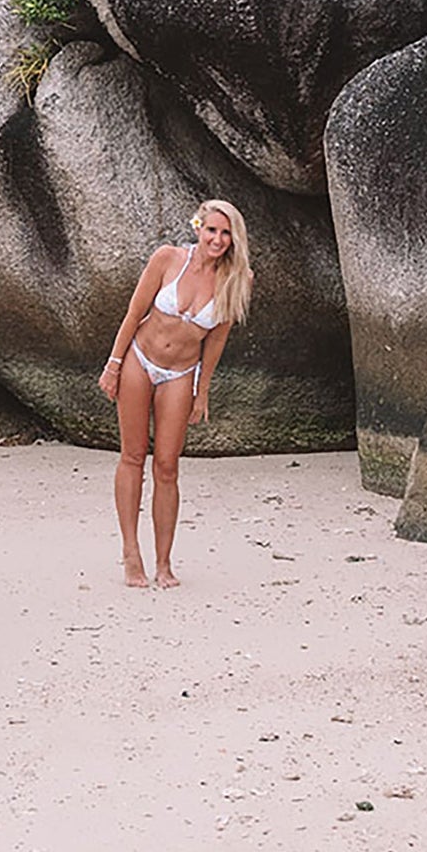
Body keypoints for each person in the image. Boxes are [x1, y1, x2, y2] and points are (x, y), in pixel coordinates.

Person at [98, 198, 253, 588]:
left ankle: (164, 563)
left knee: (167, 466)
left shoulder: (238, 280)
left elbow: (215, 342)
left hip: (181, 373)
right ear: (198, 227)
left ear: (234, 239)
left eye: (225, 233)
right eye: (211, 229)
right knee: (132, 455)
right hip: (139, 360)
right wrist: (114, 364)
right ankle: (131, 552)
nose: (217, 239)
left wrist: (202, 392)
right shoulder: (167, 259)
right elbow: (134, 314)